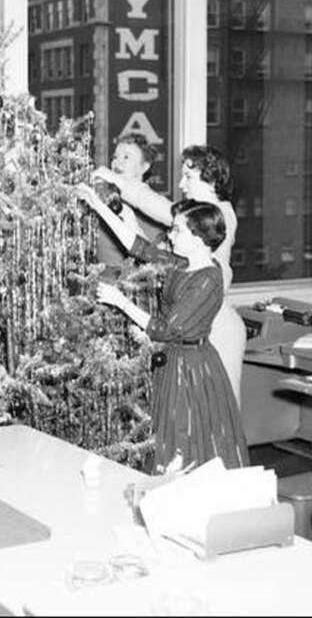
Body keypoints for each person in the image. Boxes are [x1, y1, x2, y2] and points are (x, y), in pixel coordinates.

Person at [79, 184, 249, 472]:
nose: (170, 235)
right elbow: (137, 246)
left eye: (178, 230)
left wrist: (120, 302)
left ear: (198, 238)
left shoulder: (207, 279)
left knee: (187, 438)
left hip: (193, 370)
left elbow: (164, 329)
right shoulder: (183, 264)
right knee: (171, 435)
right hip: (175, 362)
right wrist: (98, 205)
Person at [92, 145, 247, 405]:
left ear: (210, 181)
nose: (181, 184)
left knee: (222, 412)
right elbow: (150, 253)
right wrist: (126, 215)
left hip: (218, 326)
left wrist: (116, 178)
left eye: (189, 177)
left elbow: (161, 208)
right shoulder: (190, 228)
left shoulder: (218, 214)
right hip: (194, 323)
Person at [94, 133, 167, 269]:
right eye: (115, 157)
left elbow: (157, 263)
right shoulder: (104, 200)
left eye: (126, 157)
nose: (117, 162)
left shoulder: (154, 209)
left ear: (145, 167)